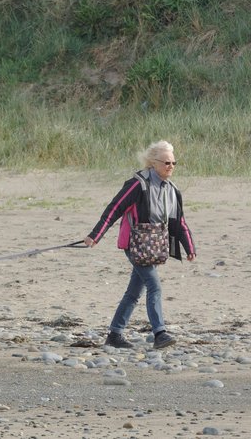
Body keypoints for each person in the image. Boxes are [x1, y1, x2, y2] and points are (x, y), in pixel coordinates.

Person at [84, 140, 196, 349]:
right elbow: (114, 208)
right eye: (166, 162)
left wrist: (189, 247)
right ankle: (160, 333)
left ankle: (115, 335)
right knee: (154, 286)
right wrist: (95, 235)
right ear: (153, 163)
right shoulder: (138, 184)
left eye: (174, 162)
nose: (171, 166)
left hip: (154, 247)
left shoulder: (172, 190)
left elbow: (178, 222)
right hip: (135, 244)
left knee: (134, 292)